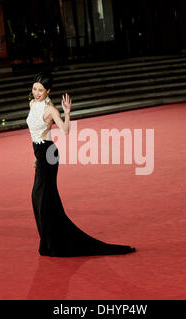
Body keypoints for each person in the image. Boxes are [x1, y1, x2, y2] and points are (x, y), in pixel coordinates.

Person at [26, 72, 136, 257]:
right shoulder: (32, 104)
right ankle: (47, 241)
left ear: (48, 91)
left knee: (44, 198)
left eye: (40, 90)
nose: (36, 93)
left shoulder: (51, 109)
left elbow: (65, 131)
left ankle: (50, 244)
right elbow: (34, 134)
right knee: (38, 198)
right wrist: (35, 156)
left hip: (49, 154)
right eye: (35, 89)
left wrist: (67, 113)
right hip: (40, 154)